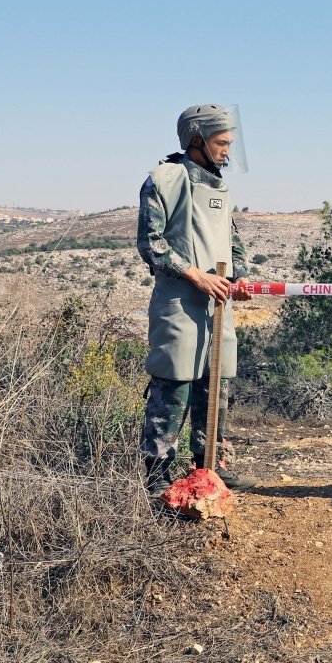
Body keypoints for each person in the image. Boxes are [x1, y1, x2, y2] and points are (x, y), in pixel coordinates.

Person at [137, 103, 256, 492]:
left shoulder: (219, 185)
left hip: (217, 306)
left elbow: (232, 243)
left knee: (214, 388)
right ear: (196, 140)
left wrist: (239, 279)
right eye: (221, 143)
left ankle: (208, 470)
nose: (227, 151)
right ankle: (156, 481)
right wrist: (195, 276)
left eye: (230, 143)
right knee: (174, 388)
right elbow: (151, 245)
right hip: (179, 305)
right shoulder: (165, 179)